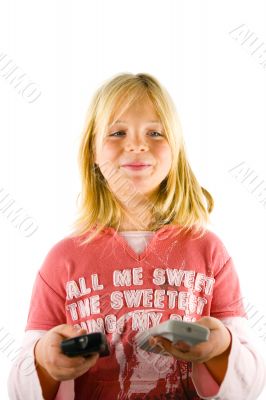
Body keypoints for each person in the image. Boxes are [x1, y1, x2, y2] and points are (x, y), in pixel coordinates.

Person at [7, 72, 266, 400]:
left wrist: (220, 347)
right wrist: (45, 359)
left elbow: (251, 383)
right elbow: (19, 388)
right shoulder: (63, 259)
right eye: (117, 132)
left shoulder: (209, 251)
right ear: (93, 154)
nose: (137, 144)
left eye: (155, 132)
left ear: (176, 152)